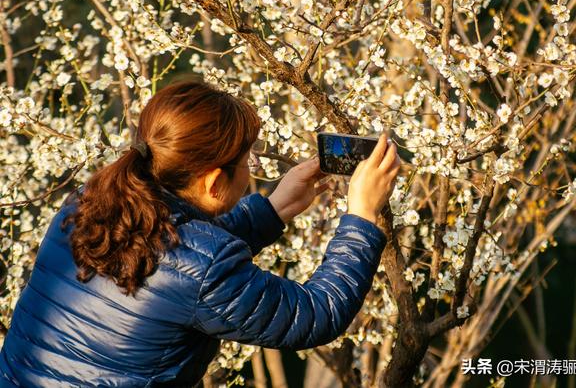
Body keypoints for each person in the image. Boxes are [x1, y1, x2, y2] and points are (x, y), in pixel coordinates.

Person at [0, 81, 400, 387]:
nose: (252, 167)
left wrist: (272, 208)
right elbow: (316, 315)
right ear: (212, 182)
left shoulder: (86, 201)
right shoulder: (201, 267)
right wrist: (361, 216)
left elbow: (175, 258)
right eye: (246, 160)